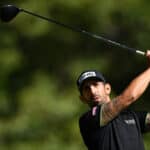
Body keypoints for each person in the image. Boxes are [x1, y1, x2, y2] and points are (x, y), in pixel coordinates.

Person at [76, 50, 150, 150]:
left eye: (95, 85)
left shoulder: (131, 116)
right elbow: (129, 97)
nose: (92, 91)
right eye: (86, 88)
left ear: (107, 89)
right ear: (82, 98)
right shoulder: (89, 120)